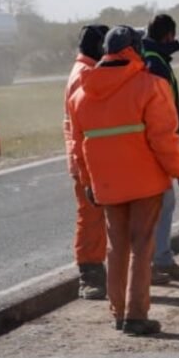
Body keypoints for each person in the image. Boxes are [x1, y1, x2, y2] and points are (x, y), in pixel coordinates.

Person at [68, 26, 179, 336]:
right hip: (146, 183)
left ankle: (119, 314)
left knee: (117, 247)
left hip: (107, 185)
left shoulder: (81, 94)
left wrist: (87, 181)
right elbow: (164, 139)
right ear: (135, 49)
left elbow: (78, 145)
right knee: (141, 247)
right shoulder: (151, 85)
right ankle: (137, 315)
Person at [142, 13, 179, 284]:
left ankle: (159, 260)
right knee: (160, 205)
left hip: (149, 144)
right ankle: (155, 263)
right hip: (154, 146)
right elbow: (162, 116)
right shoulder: (156, 64)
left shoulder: (151, 58)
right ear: (169, 36)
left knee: (163, 204)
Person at [64, 23, 110, 300]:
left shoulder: (83, 70)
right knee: (91, 218)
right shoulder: (85, 75)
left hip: (88, 157)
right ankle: (90, 275)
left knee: (94, 217)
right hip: (86, 160)